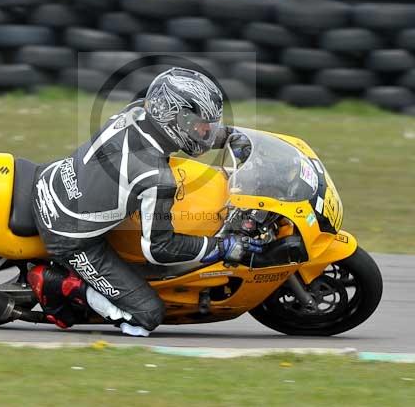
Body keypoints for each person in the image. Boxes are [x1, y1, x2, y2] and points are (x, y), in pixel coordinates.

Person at [27, 67, 262, 336]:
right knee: (147, 315)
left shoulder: (138, 110)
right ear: (173, 118)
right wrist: (221, 246)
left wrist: (230, 136)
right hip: (67, 233)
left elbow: (189, 132)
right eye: (199, 125)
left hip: (52, 177)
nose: (205, 132)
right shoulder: (155, 176)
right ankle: (58, 284)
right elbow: (160, 248)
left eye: (207, 126)